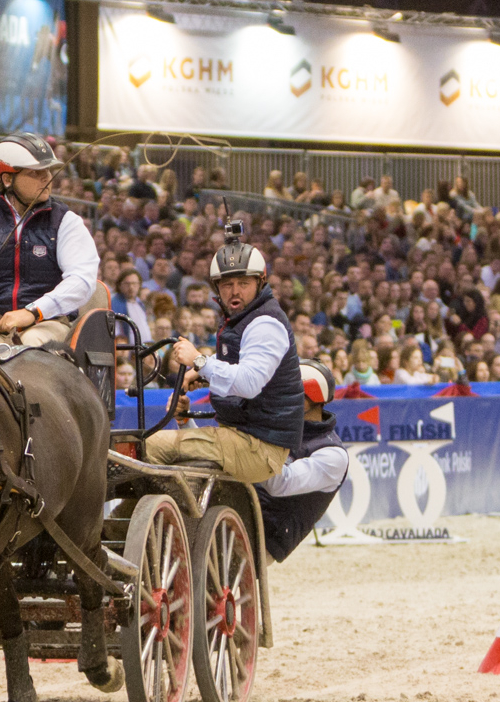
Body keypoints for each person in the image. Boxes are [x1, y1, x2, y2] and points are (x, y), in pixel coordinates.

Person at [147, 233, 305, 484]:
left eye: (243, 283)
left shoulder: (266, 324)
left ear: (260, 282)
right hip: (244, 440)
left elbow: (250, 383)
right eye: (227, 284)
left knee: (149, 446)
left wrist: (199, 361)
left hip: (259, 448)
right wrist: (187, 414)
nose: (235, 291)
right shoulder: (240, 319)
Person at [0, 133, 97, 348]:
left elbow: (82, 279)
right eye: (35, 172)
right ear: (8, 179)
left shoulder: (66, 221)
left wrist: (33, 311)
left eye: (48, 170)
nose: (47, 178)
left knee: (31, 346)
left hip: (47, 324)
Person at [256, 361, 349, 561]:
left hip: (265, 534)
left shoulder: (332, 455)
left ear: (305, 402)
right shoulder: (281, 426)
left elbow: (278, 484)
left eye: (285, 393)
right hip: (238, 509)